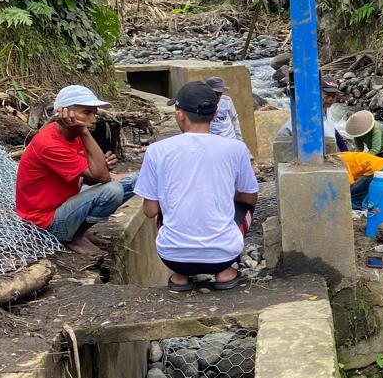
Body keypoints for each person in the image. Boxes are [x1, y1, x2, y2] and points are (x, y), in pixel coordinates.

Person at [136, 82, 258, 292]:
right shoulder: (236, 149)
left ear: (180, 114)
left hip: (172, 257)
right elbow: (250, 198)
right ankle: (225, 273)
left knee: (165, 209)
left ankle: (181, 278)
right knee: (244, 204)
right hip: (222, 255)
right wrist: (228, 193)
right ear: (215, 114)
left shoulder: (156, 151)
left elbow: (150, 211)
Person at [15, 85, 137, 254]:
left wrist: (101, 165)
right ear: (64, 113)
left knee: (136, 180)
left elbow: (89, 177)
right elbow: (103, 178)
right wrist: (85, 133)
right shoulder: (50, 143)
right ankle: (72, 237)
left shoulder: (72, 134)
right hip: (43, 223)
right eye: (87, 113)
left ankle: (78, 231)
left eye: (94, 113)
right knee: (112, 190)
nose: (93, 120)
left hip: (63, 205)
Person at [205, 76, 243, 141]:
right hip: (213, 140)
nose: (218, 96)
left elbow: (234, 119)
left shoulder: (227, 100)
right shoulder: (203, 104)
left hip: (229, 138)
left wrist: (239, 139)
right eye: (216, 94)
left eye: (220, 93)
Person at [322, 78, 349, 151]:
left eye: (333, 96)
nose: (331, 99)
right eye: (327, 95)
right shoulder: (313, 113)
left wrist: (345, 151)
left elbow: (333, 130)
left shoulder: (327, 109)